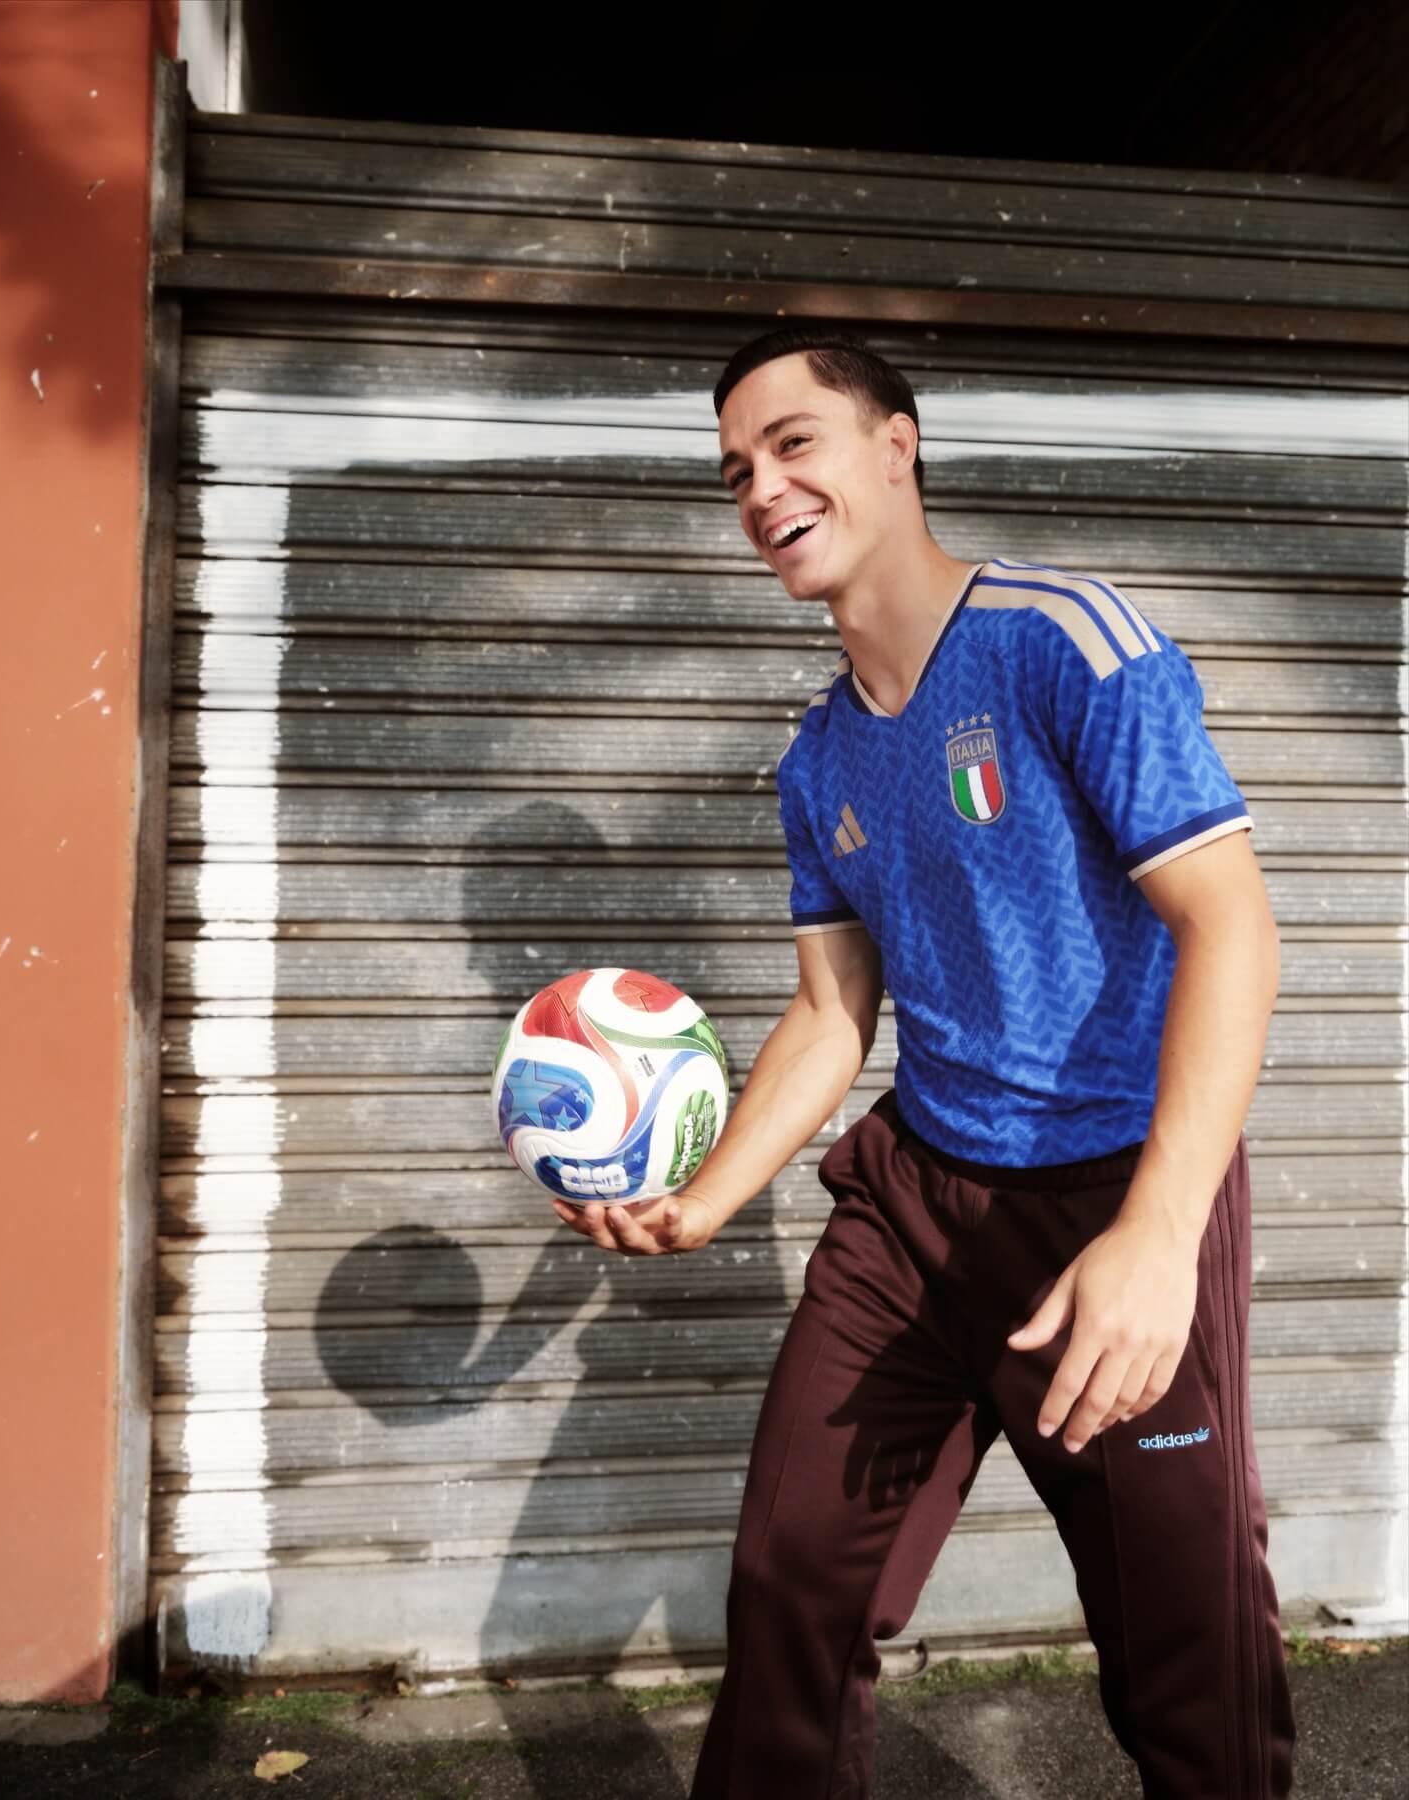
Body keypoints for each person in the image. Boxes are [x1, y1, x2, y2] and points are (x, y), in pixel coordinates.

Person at [548, 327, 1295, 1797]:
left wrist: (1158, 1238)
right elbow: (832, 1017)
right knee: (790, 1592)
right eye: (734, 471)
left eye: (793, 442)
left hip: (1115, 1203)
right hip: (916, 1202)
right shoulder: (819, 758)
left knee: (1188, 1652)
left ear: (898, 443)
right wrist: (699, 1201)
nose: (760, 487)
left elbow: (1236, 930)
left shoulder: (1064, 641)